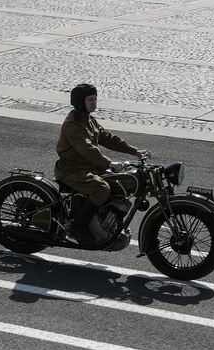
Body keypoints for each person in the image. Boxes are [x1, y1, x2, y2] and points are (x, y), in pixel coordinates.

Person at [54, 83, 148, 243]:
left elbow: (108, 138)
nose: (94, 102)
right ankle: (79, 226)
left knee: (119, 180)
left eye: (95, 99)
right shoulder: (73, 123)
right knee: (101, 189)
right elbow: (86, 148)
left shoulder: (89, 120)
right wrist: (109, 162)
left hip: (88, 167)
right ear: (79, 102)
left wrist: (135, 151)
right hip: (71, 170)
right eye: (90, 99)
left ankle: (104, 220)